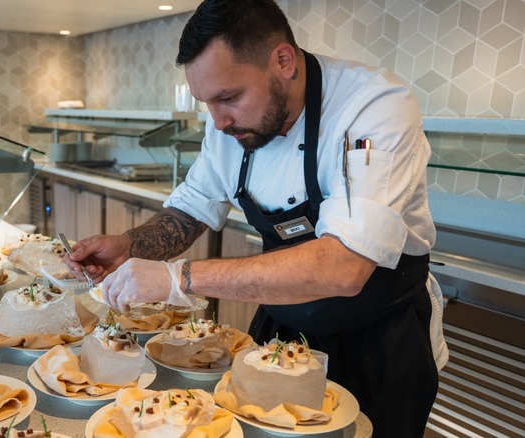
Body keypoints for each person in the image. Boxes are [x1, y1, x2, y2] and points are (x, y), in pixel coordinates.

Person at [64, 0, 448, 436]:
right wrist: (131, 245)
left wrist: (178, 279)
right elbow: (193, 208)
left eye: (229, 97)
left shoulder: (373, 105)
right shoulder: (229, 123)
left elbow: (345, 267)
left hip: (378, 341)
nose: (219, 120)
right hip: (281, 333)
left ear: (283, 60)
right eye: (207, 102)